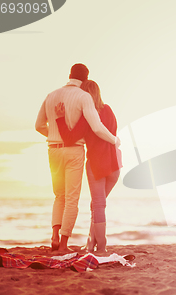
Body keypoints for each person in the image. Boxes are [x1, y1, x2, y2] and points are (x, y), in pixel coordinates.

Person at [35, 64, 119, 252]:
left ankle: (62, 238)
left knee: (64, 197)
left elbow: (43, 127)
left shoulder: (54, 97)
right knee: (85, 202)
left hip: (67, 154)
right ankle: (78, 244)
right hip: (94, 157)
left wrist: (56, 126)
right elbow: (102, 129)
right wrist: (115, 140)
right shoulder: (97, 104)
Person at [54, 80, 121, 253]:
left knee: (98, 205)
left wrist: (61, 118)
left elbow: (69, 138)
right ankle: (91, 243)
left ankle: (102, 246)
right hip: (114, 165)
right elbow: (112, 133)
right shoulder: (109, 110)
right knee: (97, 205)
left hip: (97, 165)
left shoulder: (86, 117)